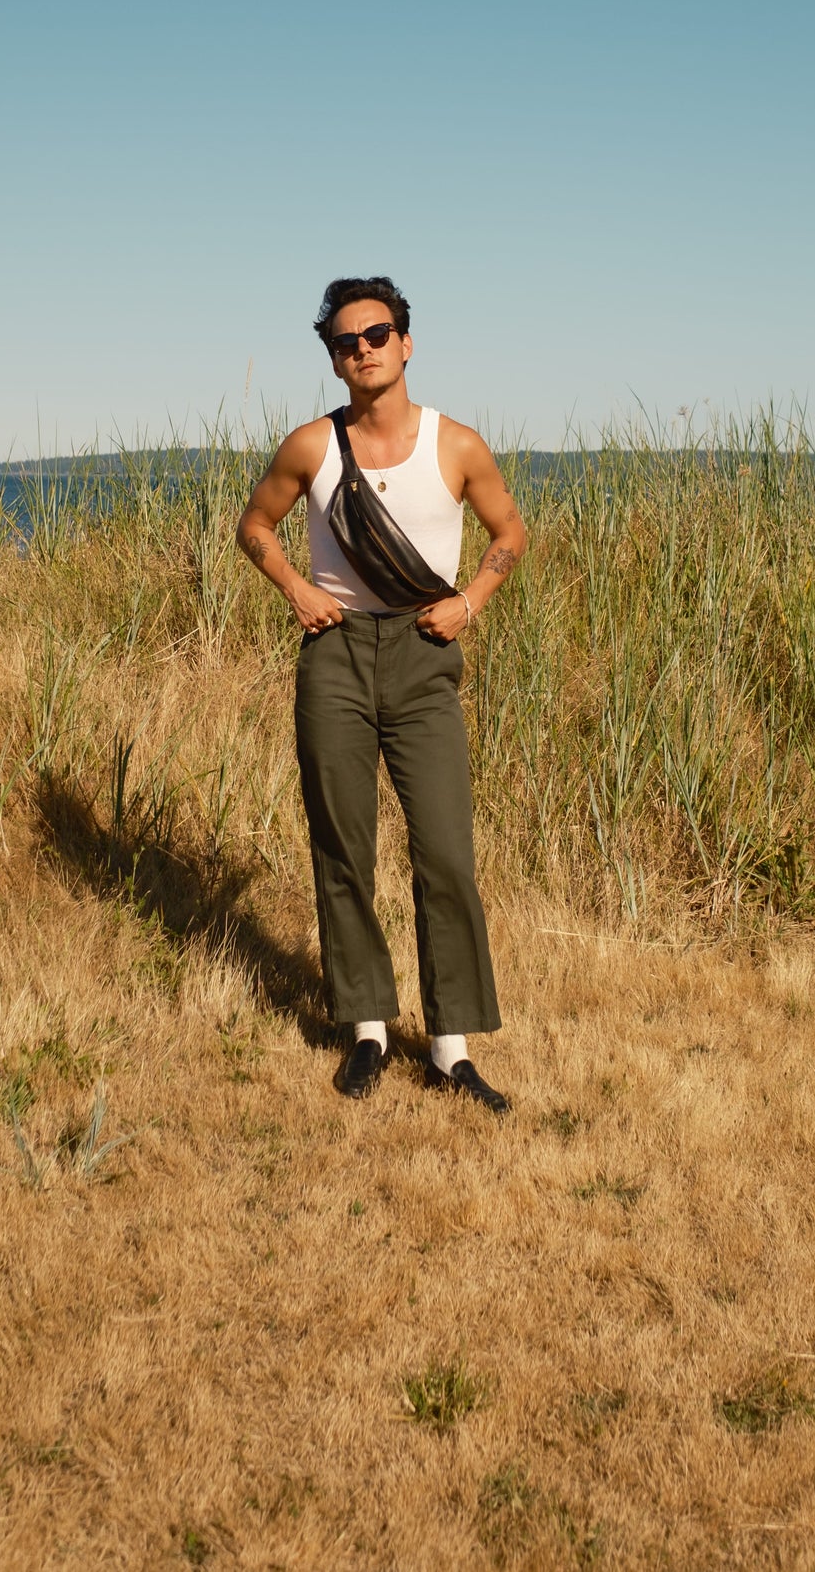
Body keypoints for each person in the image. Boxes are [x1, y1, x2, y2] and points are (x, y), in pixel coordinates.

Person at [236, 276, 526, 1110]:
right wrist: (294, 585)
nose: (361, 349)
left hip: (423, 654)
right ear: (332, 358)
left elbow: (509, 533)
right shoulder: (309, 447)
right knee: (342, 846)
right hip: (334, 656)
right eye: (344, 342)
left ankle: (449, 1047)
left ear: (405, 343)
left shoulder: (456, 444)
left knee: (444, 851)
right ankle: (365, 1029)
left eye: (375, 334)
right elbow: (253, 525)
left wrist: (469, 601)